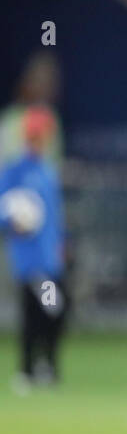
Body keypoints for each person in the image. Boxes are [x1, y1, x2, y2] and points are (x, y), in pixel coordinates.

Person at [0, 106, 66, 390]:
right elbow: (4, 208)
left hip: (50, 258)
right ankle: (28, 370)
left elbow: (54, 216)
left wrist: (62, 242)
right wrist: (12, 220)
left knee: (52, 312)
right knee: (37, 313)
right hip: (30, 261)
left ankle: (45, 367)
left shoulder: (47, 171)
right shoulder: (15, 171)